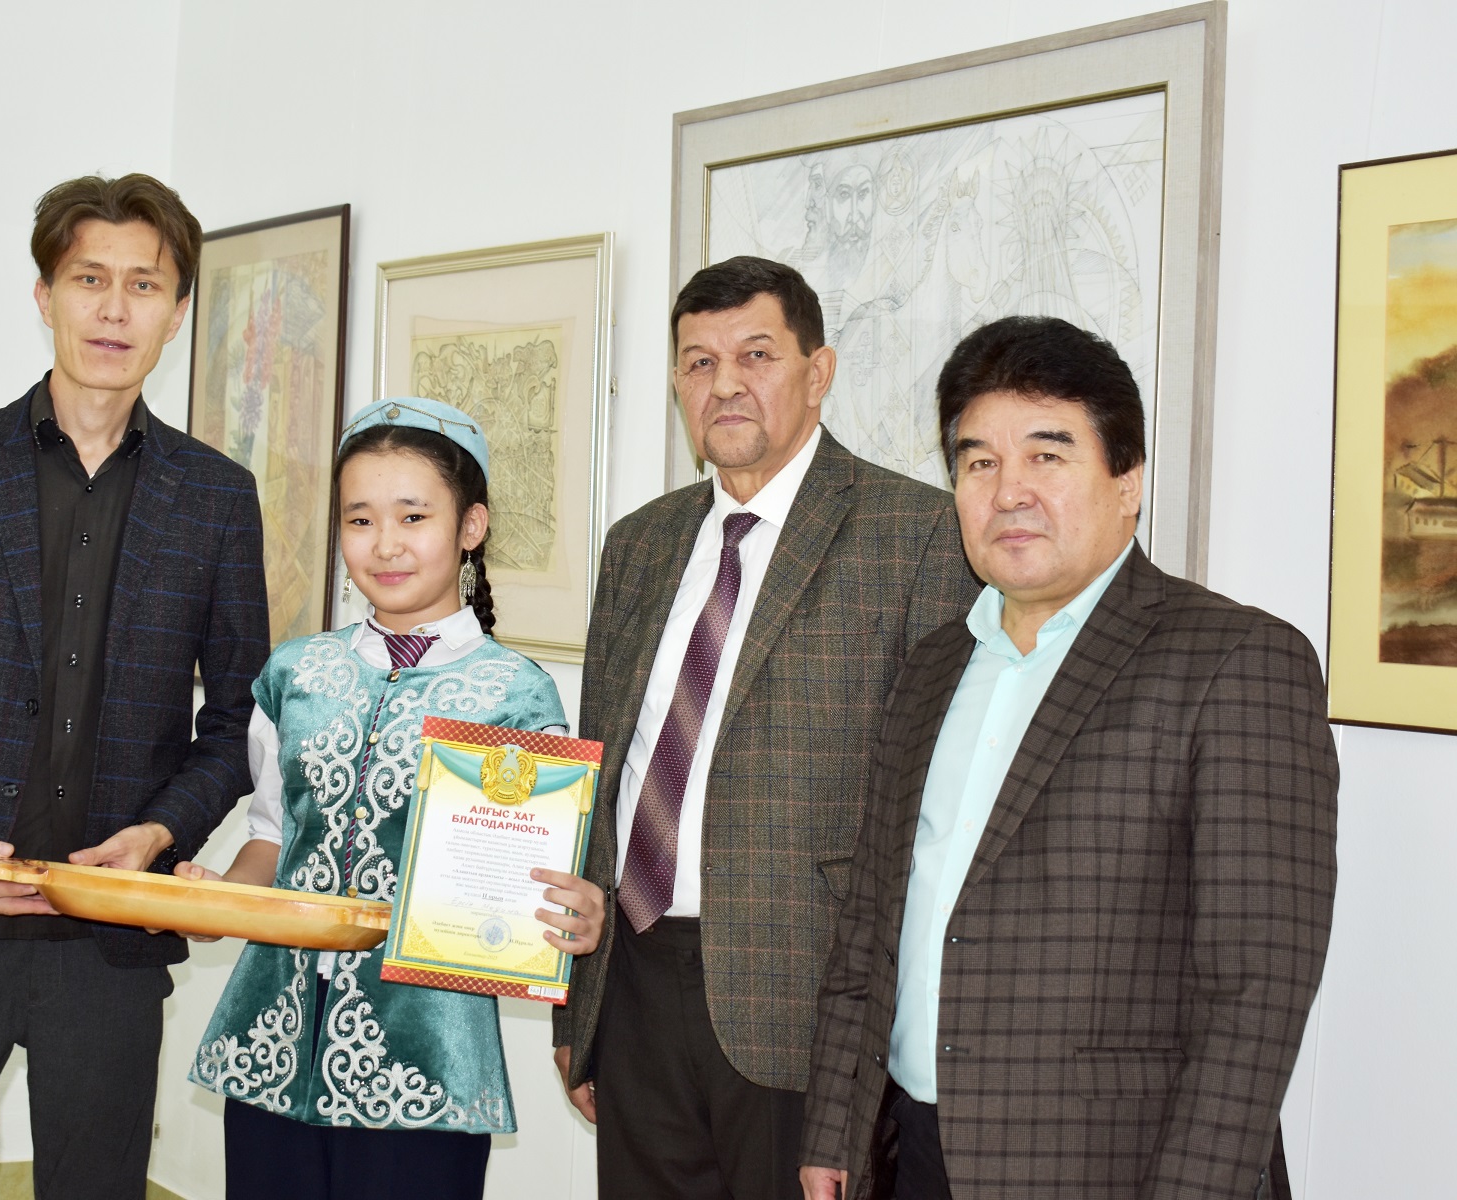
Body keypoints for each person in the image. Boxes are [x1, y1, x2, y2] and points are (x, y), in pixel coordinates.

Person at [799, 316, 1338, 1200]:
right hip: (908, 1152)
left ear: (1127, 482)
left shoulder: (1235, 661)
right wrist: (834, 1128)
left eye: (1047, 456)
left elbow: (1256, 991)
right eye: (979, 462)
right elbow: (869, 922)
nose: (1009, 491)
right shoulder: (932, 668)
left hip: (1110, 1169)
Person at [0, 173, 268, 1200]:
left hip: (108, 941)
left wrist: (160, 834)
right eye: (88, 278)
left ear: (176, 312)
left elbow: (237, 719)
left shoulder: (217, 497)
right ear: (45, 295)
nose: (115, 309)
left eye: (144, 285)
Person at [553, 255, 977, 1200]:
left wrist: (868, 1067)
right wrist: (579, 1011)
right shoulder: (638, 544)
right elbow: (601, 776)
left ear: (818, 373)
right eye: (699, 362)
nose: (725, 384)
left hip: (804, 1005)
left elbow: (933, 815)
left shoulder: (918, 536)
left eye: (756, 354)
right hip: (635, 983)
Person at [186, 396, 607, 1200]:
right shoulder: (295, 674)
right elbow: (271, 839)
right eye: (360, 520)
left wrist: (571, 918)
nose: (384, 545)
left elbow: (531, 887)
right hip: (271, 1044)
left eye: (414, 516)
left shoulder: (514, 695)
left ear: (471, 526)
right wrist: (214, 901)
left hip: (423, 1065)